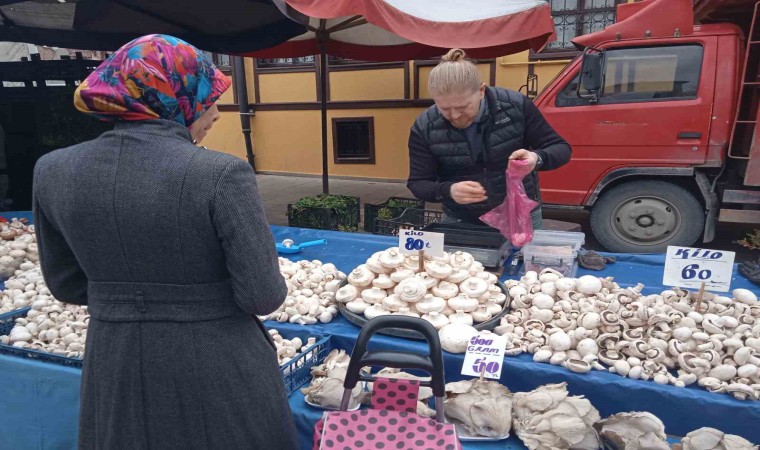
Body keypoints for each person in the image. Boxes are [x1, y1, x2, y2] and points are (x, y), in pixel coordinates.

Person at [32, 34, 297, 450]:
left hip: (115, 361)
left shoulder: (52, 170)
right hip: (218, 368)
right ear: (175, 94)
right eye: (209, 95)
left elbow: (66, 284)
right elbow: (262, 295)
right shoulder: (220, 174)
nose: (216, 110)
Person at [407, 49, 571, 231]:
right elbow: (418, 183)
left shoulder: (515, 107)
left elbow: (561, 149)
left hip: (520, 214)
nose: (454, 116)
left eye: (462, 107)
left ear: (481, 91)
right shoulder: (425, 126)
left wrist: (536, 158)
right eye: (444, 108)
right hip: (460, 219)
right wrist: (448, 190)